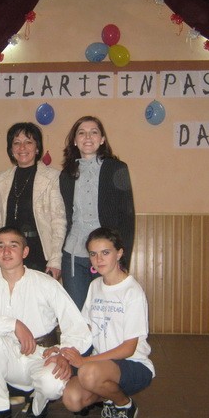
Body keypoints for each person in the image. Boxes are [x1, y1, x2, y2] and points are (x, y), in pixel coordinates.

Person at [0, 227, 92, 418]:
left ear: (25, 252)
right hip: (7, 355)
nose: (6, 251)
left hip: (42, 355)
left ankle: (39, 402)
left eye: (13, 245)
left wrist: (63, 354)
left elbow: (75, 324)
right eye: (0, 246)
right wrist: (14, 324)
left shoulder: (45, 283)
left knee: (52, 384)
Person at [61, 227, 154, 418]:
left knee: (87, 373)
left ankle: (125, 405)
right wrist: (62, 351)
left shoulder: (132, 292)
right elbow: (84, 329)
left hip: (133, 364)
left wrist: (85, 362)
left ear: (119, 253)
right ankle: (110, 398)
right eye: (93, 254)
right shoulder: (95, 286)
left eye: (105, 252)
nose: (98, 259)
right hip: (100, 365)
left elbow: (128, 348)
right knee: (72, 399)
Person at [60, 115, 135, 311]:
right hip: (73, 255)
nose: (88, 137)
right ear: (75, 140)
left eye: (94, 132)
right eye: (81, 133)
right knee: (77, 315)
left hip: (106, 255)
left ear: (102, 139)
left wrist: (123, 258)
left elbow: (127, 218)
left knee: (105, 314)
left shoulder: (117, 169)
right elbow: (64, 217)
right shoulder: (66, 175)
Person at [0, 122, 66, 279]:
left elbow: (58, 221)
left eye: (28, 142)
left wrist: (55, 260)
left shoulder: (53, 178)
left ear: (37, 148)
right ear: (11, 149)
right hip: (8, 254)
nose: (22, 147)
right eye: (16, 143)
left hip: (40, 253)